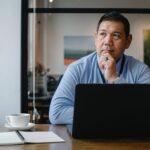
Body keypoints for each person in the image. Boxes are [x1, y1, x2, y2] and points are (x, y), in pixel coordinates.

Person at [49, 11, 150, 124]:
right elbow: (56, 113)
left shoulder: (141, 71)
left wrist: (114, 78)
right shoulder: (76, 69)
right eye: (103, 34)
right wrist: (111, 113)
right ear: (96, 38)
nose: (107, 42)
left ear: (128, 41)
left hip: (128, 140)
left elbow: (146, 112)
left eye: (116, 35)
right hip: (86, 140)